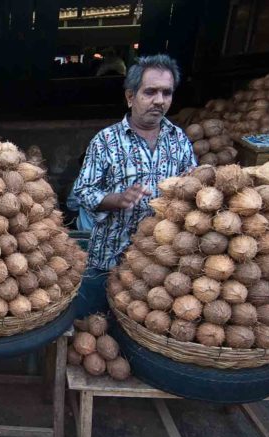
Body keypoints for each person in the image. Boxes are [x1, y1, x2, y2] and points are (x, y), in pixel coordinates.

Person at [67, 54, 197, 318]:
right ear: (130, 96)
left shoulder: (179, 140)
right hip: (109, 260)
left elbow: (192, 189)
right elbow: (83, 191)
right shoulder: (105, 141)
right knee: (97, 328)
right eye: (150, 92)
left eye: (166, 93)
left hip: (160, 266)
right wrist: (116, 199)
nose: (159, 101)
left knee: (144, 329)